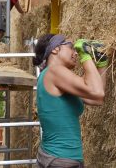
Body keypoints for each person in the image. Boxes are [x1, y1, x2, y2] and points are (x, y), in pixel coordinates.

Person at [33, 34, 108, 168]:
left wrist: (101, 63)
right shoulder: (54, 71)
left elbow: (97, 98)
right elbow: (96, 91)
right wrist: (86, 56)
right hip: (60, 160)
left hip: (57, 158)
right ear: (55, 49)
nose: (76, 53)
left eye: (77, 50)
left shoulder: (54, 77)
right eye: (72, 48)